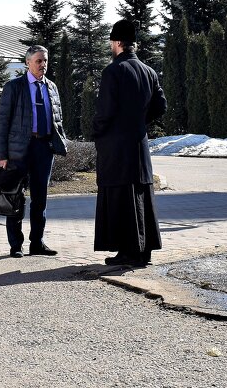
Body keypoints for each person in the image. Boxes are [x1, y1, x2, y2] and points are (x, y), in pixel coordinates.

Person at [91, 19, 166, 267]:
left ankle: (127, 252)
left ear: (118, 43)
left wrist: (98, 132)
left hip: (116, 146)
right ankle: (144, 251)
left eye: (112, 42)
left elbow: (105, 111)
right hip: (139, 143)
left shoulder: (113, 71)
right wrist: (139, 122)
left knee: (122, 197)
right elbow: (160, 106)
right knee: (142, 194)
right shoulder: (149, 71)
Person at [0, 44, 64, 258]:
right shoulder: (14, 87)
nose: (43, 65)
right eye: (38, 61)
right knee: (16, 197)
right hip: (18, 150)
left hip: (43, 148)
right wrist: (2, 155)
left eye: (45, 61)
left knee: (40, 198)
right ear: (28, 63)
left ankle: (37, 243)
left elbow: (58, 118)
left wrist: (59, 141)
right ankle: (16, 245)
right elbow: (2, 123)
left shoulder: (51, 87)